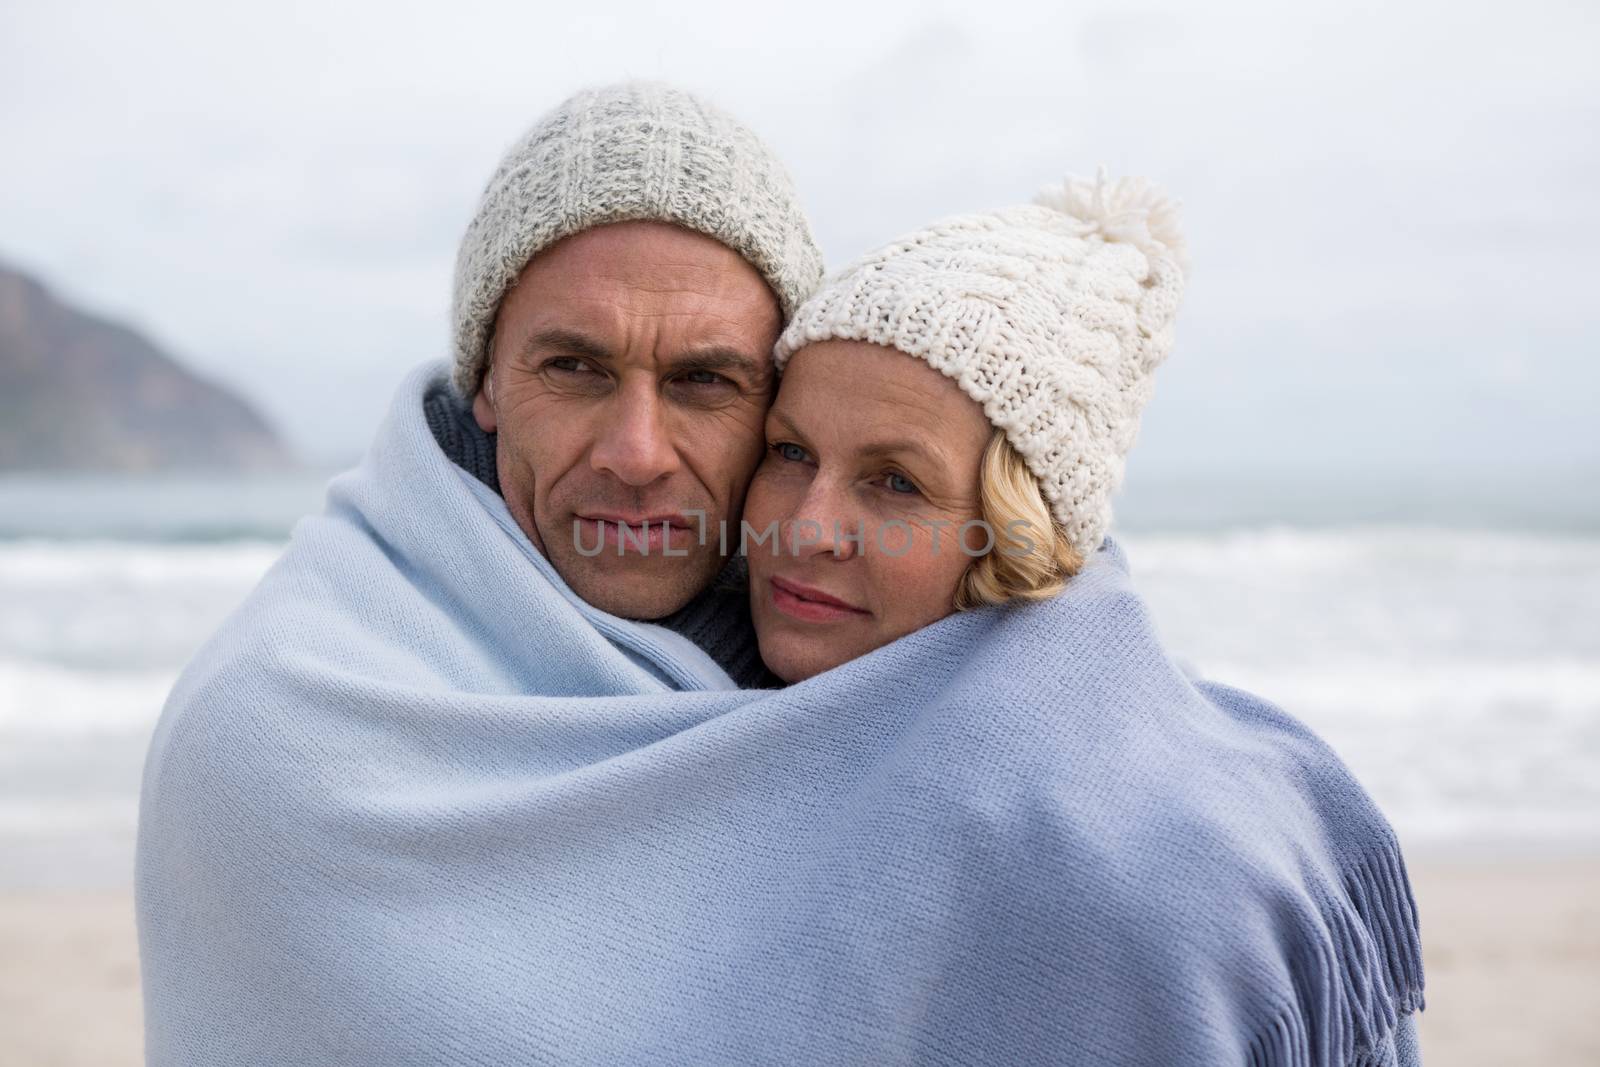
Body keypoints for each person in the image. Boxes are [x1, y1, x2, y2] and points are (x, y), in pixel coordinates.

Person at [744, 170, 1427, 1063]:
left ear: (1018, 532)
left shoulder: (1142, 868)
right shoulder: (702, 705)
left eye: (896, 481)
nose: (806, 525)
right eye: (790, 451)